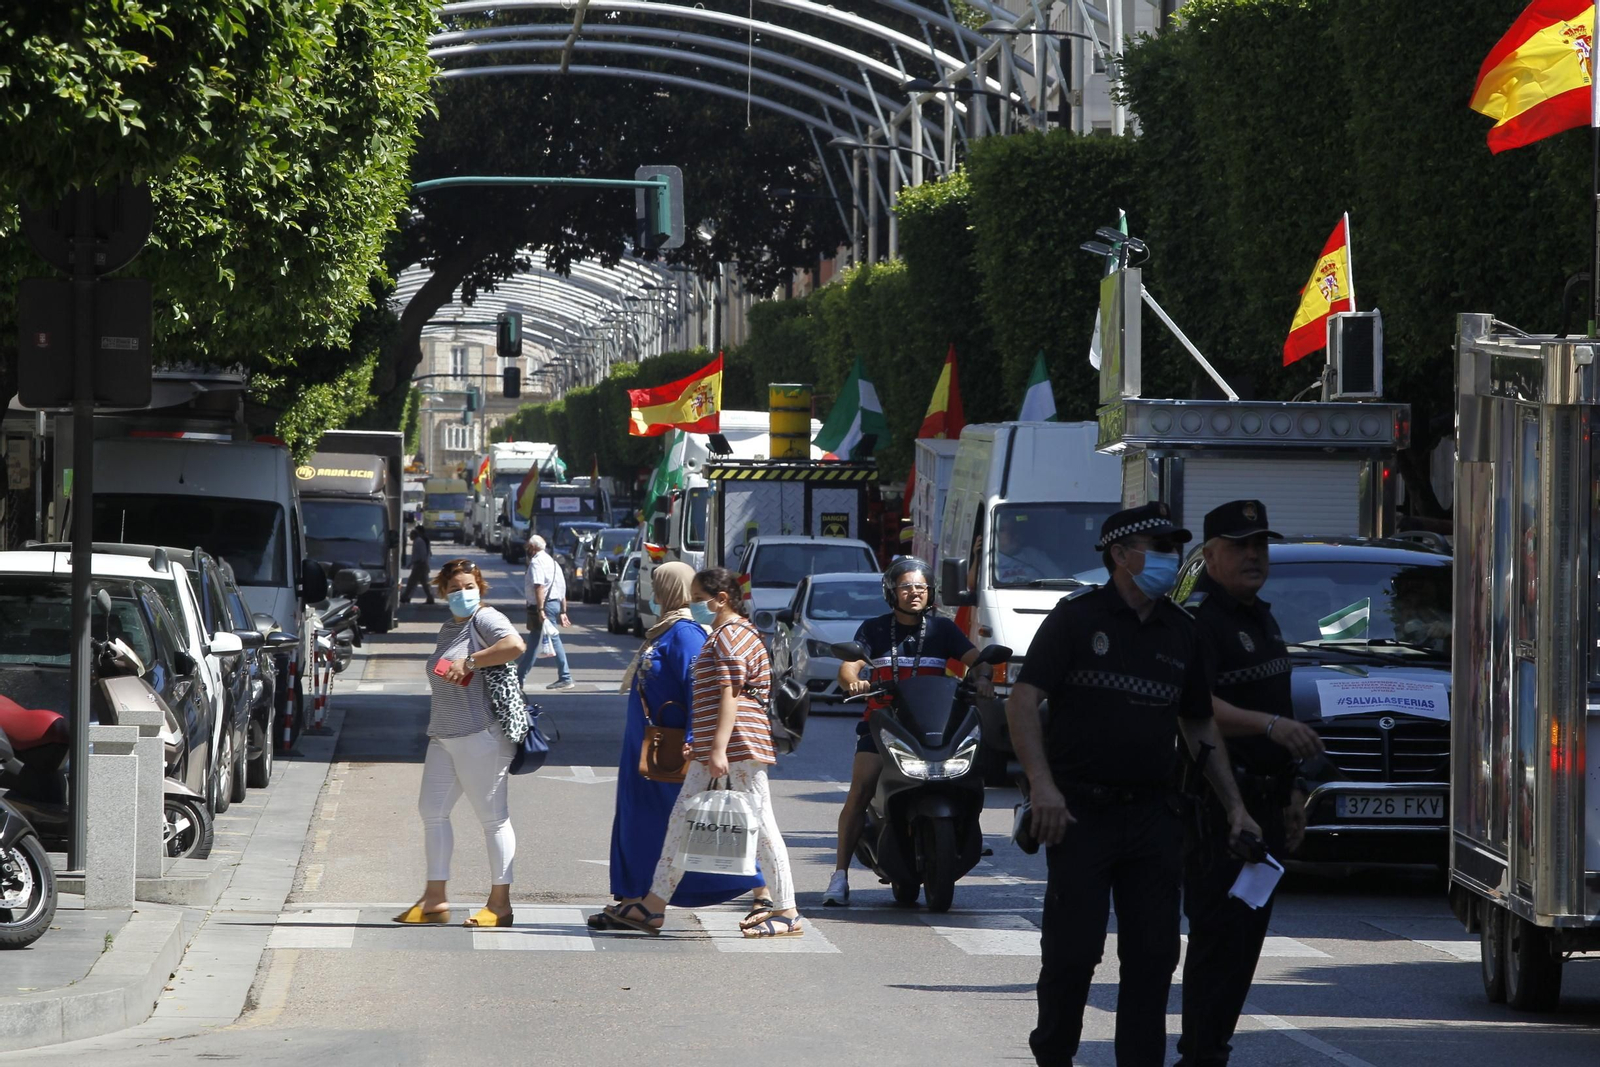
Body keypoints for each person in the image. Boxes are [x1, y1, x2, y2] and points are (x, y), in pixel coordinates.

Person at [1004, 502, 1262, 1067]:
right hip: (1080, 816)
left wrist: (1235, 807)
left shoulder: (1182, 632)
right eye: (1158, 545)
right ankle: (1053, 1057)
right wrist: (1042, 787)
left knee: (1153, 956)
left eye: (1173, 547)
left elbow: (1198, 723)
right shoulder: (1076, 620)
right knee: (1072, 955)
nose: (1170, 558)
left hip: (1153, 818)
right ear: (1120, 554)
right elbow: (1023, 701)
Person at [1177, 501, 1324, 1067]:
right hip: (1219, 804)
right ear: (1210, 555)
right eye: (1240, 546)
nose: (1253, 555)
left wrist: (1292, 794)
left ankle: (1213, 1047)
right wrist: (1269, 727)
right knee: (1217, 939)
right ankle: (1200, 1053)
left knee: (1244, 942)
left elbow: (1277, 700)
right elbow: (1196, 707)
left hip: (1266, 797)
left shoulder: (1260, 616)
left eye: (1260, 544)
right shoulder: (1202, 621)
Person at [599, 567, 802, 938]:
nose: (694, 606)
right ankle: (653, 905)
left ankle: (785, 909)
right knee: (681, 820)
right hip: (720, 745)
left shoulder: (731, 636)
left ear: (720, 599)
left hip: (738, 744)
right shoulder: (724, 633)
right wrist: (705, 742)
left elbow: (730, 694)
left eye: (698, 598)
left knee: (761, 825)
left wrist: (718, 748)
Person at [823, 556, 992, 906]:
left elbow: (978, 660)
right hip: (884, 724)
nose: (914, 593)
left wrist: (985, 678)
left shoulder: (944, 629)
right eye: (906, 587)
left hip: (935, 729)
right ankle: (839, 876)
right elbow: (848, 667)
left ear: (930, 593)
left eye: (921, 587)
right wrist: (854, 682)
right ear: (892, 592)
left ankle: (963, 834)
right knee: (860, 790)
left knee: (972, 775)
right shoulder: (872, 629)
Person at [396, 558, 526, 929]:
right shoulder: (448, 628)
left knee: (493, 820)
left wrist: (471, 661)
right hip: (444, 736)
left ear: (480, 588)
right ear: (442, 592)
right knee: (431, 811)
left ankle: (500, 905)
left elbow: (514, 644)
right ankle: (435, 899)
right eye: (455, 589)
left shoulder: (484, 619)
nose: (463, 594)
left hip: (480, 734)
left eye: (469, 587)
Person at [516, 533, 574, 691]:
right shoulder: (553, 562)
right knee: (536, 641)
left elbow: (539, 586)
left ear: (533, 548)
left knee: (550, 639)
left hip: (544, 606)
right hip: (553, 604)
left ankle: (565, 677)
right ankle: (519, 677)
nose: (527, 549)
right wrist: (563, 610)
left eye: (528, 546)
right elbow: (562, 588)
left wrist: (540, 609)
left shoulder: (537, 562)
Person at [993, 512, 1057, 583]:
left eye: (1013, 529)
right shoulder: (990, 558)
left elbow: (1058, 578)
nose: (1011, 533)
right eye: (1002, 529)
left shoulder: (1033, 555)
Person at [400, 523, 433, 605]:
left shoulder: (418, 541)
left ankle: (405, 597)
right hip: (421, 564)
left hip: (420, 565)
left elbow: (420, 554)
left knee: (412, 582)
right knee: (424, 583)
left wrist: (414, 563)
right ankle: (430, 598)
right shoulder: (421, 540)